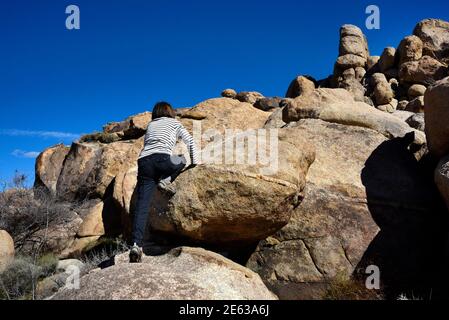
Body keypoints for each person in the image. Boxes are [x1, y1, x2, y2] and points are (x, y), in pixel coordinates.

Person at [129, 101, 199, 263]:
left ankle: (135, 245)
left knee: (143, 206)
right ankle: (165, 180)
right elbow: (190, 142)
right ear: (170, 112)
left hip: (144, 162)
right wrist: (195, 163)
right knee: (181, 159)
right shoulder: (175, 123)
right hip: (164, 160)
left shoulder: (151, 125)